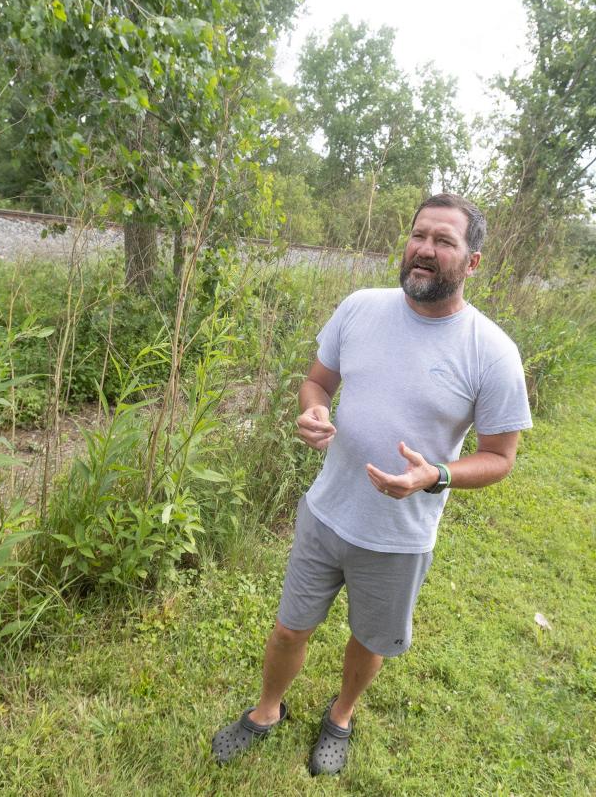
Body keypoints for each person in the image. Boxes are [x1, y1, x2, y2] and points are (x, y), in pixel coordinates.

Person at [211, 193, 532, 776]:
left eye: (444, 241)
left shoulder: (492, 352)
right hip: (326, 511)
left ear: (473, 261)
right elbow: (317, 382)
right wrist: (312, 412)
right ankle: (266, 710)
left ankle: (341, 715)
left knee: (369, 639)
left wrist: (435, 476)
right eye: (419, 235)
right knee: (289, 628)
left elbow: (500, 456)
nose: (425, 250)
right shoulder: (360, 307)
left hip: (400, 536)